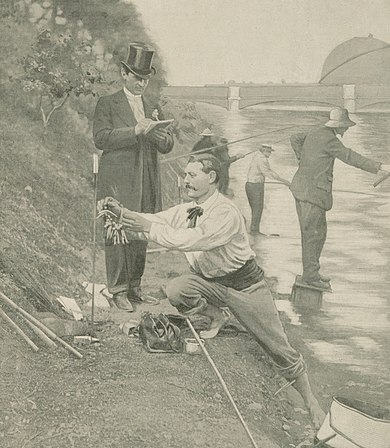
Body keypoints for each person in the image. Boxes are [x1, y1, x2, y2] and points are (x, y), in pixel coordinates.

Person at [102, 154, 326, 428]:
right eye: (185, 175)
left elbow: (190, 239)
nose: (186, 181)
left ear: (212, 178)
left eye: (193, 175)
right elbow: (157, 219)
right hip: (210, 284)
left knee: (279, 349)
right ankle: (217, 316)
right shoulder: (189, 208)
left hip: (246, 286)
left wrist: (146, 227)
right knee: (177, 289)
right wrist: (122, 214)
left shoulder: (226, 213)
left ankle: (312, 403)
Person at [93, 42, 174, 311]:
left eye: (145, 80)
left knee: (141, 229)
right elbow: (101, 138)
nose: (141, 84)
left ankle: (135, 287)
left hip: (147, 179)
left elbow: (166, 145)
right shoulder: (108, 103)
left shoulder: (152, 105)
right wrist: (135, 131)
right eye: (137, 78)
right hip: (117, 180)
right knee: (117, 232)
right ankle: (118, 290)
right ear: (124, 74)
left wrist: (162, 136)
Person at [290, 107, 390, 289]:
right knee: (314, 235)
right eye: (346, 126)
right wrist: (381, 166)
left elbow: (295, 138)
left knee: (315, 234)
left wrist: (302, 161)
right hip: (313, 194)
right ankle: (310, 276)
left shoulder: (315, 132)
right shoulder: (330, 140)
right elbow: (351, 157)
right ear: (339, 125)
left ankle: (312, 272)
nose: (347, 130)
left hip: (301, 189)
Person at [245, 144, 290, 235]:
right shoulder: (262, 159)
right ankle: (254, 230)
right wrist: (283, 180)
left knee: (256, 208)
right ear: (263, 150)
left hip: (251, 185)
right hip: (255, 186)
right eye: (268, 151)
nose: (270, 154)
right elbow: (267, 172)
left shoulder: (257, 156)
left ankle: (254, 229)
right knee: (257, 208)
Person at [192, 130, 244, 194]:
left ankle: (220, 191)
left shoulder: (209, 144)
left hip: (211, 163)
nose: (210, 138)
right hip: (217, 165)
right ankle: (222, 192)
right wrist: (237, 157)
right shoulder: (217, 147)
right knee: (224, 179)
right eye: (209, 137)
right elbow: (227, 161)